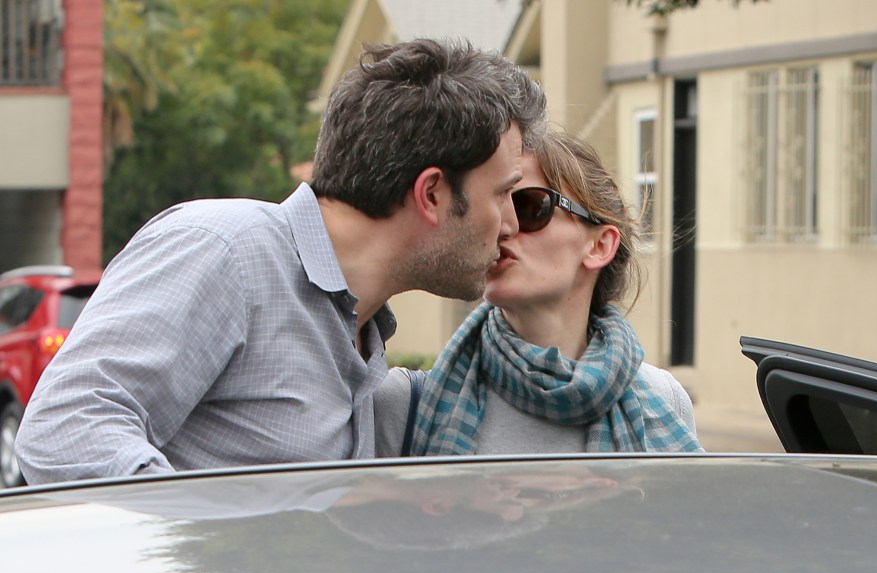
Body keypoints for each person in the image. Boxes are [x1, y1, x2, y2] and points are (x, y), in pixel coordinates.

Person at [14, 38, 547, 484]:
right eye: (503, 195)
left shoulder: (359, 327)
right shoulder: (226, 250)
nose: (511, 225)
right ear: (431, 194)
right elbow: (66, 429)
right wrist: (200, 548)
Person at [375, 131, 703, 456]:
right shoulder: (405, 406)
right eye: (494, 205)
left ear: (600, 245)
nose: (503, 227)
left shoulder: (664, 401)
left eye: (531, 207)